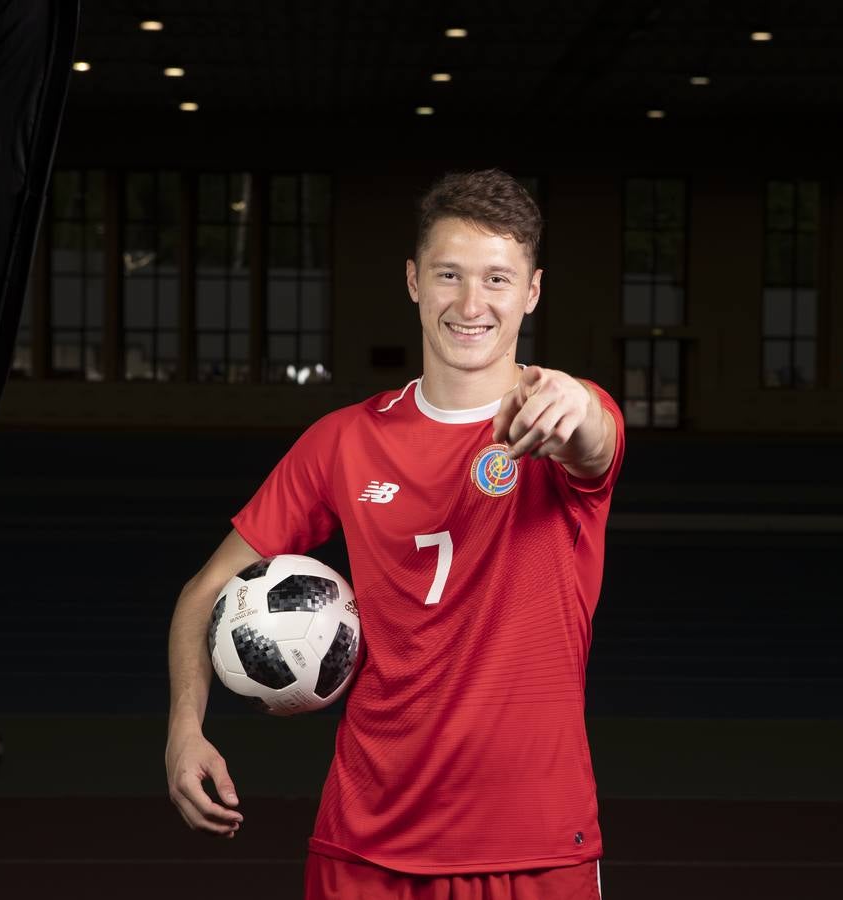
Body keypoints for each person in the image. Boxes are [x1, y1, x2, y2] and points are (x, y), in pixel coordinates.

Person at [166, 169, 624, 899]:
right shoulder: (341, 441)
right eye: (450, 274)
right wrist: (183, 730)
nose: (472, 304)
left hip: (532, 846)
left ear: (532, 292)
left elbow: (592, 441)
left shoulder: (559, 417)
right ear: (415, 281)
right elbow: (205, 591)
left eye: (498, 279)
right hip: (365, 844)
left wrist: (575, 402)